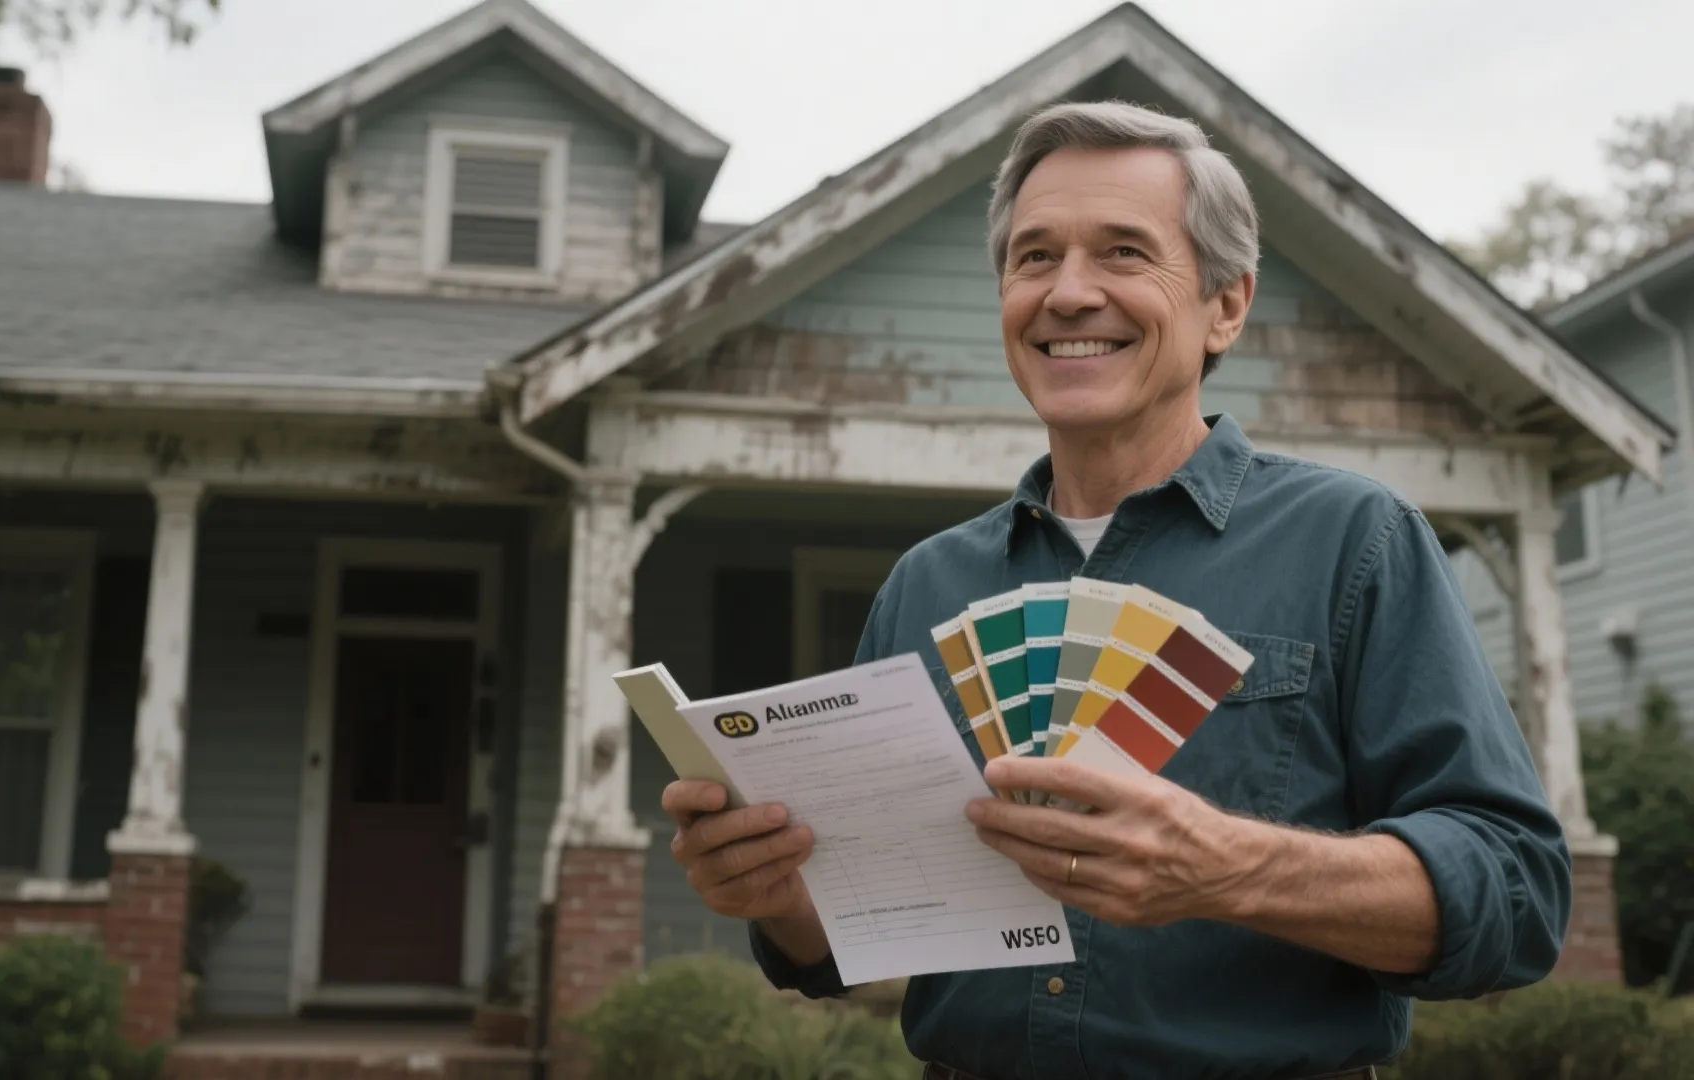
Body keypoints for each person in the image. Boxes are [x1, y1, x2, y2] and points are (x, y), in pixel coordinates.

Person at [659, 100, 1571, 1080]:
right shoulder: (926, 584)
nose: (1069, 293)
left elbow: (1517, 896)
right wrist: (777, 898)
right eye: (1035, 256)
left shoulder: (1358, 542)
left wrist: (1232, 868)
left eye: (1125, 253)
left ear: (1226, 303)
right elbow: (850, 935)